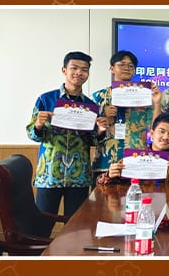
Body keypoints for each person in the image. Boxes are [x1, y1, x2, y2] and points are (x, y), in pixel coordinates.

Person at [28, 51, 109, 218]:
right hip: (49, 174)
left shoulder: (90, 105)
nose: (79, 73)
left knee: (75, 226)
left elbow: (93, 140)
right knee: (41, 224)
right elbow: (33, 135)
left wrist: (100, 130)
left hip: (78, 175)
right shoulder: (46, 99)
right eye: (74, 68)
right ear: (64, 70)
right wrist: (38, 124)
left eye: (84, 69)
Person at [91, 51, 160, 184]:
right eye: (122, 64)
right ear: (112, 68)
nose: (127, 68)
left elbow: (154, 127)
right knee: (102, 203)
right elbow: (91, 135)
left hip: (136, 162)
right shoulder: (98, 97)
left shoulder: (143, 96)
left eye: (130, 66)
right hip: (106, 163)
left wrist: (157, 102)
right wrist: (103, 116)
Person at [107, 112, 169, 184]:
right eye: (162, 131)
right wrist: (110, 175)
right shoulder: (134, 156)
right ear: (152, 133)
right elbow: (104, 182)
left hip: (168, 202)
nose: (166, 137)